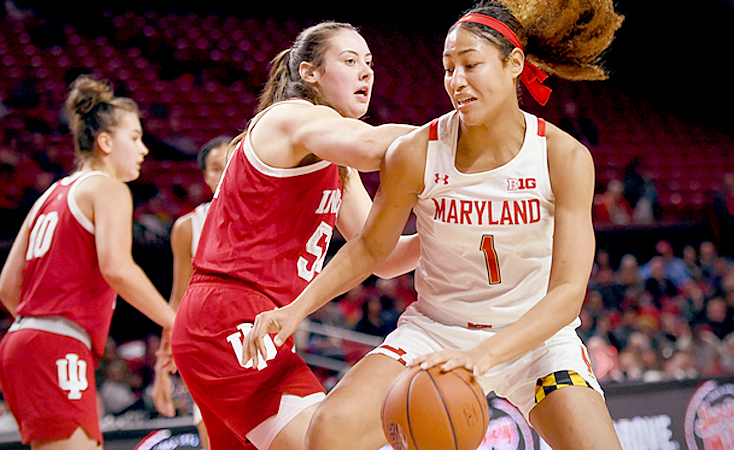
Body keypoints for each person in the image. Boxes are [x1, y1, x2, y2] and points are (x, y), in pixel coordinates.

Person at [243, 2, 624, 449]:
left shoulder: (565, 157)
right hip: (436, 330)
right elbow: (369, 248)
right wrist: (295, 310)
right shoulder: (416, 151)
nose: (457, 81)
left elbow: (565, 295)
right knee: (330, 433)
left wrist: (481, 357)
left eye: (471, 65)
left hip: (535, 340)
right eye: (448, 68)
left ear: (514, 64)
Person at [165, 21, 419, 450]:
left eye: (370, 64)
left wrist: (445, 232)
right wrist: (465, 130)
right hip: (231, 315)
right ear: (309, 73)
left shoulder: (338, 163)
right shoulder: (291, 117)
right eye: (350, 61)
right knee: (329, 442)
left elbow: (384, 257)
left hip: (251, 320)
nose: (366, 73)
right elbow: (377, 146)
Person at [0, 75, 176, 450]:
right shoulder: (109, 187)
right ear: (105, 142)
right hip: (55, 346)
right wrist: (176, 321)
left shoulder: (50, 193)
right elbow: (118, 268)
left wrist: (42, 323)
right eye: (135, 137)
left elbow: (7, 289)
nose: (144, 149)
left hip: (23, 343)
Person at [152, 135, 231, 448]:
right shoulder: (188, 226)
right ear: (207, 177)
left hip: (261, 340)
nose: (224, 173)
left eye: (230, 164)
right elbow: (178, 297)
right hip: (209, 348)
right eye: (216, 168)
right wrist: (161, 367)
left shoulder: (268, 214)